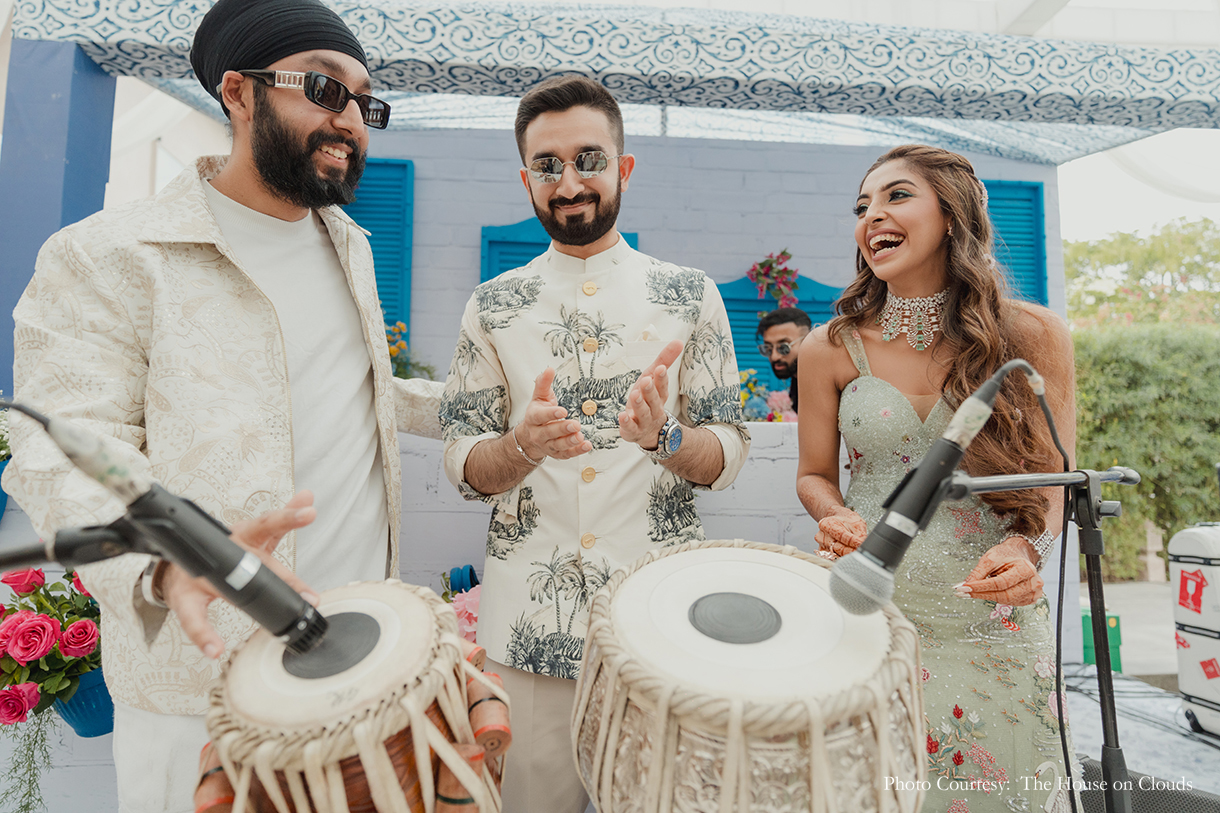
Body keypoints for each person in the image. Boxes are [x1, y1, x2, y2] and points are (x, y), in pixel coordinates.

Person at [2, 1, 443, 810]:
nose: (347, 117)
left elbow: (356, 384)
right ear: (237, 93)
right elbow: (62, 452)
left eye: (362, 100)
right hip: (199, 684)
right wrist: (169, 561)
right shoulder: (109, 256)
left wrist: (487, 410)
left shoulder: (352, 246)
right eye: (322, 86)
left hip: (354, 663)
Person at [440, 75, 750, 812]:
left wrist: (666, 438)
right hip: (528, 637)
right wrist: (519, 447)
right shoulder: (492, 305)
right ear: (526, 179)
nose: (569, 181)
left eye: (589, 159)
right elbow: (461, 460)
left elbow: (729, 450)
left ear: (624, 167)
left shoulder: (690, 294)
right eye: (548, 165)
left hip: (657, 626)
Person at [794, 145, 1078, 813]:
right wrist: (831, 513)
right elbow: (812, 475)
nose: (872, 217)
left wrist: (1022, 548)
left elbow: (1058, 484)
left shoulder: (1034, 335)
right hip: (872, 616)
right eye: (862, 206)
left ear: (951, 217)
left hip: (993, 627)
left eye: (895, 196)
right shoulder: (828, 346)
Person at [756, 306, 811, 413]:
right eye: (768, 348)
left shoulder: (821, 382)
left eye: (784, 347)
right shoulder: (798, 382)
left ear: (806, 341)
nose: (774, 356)